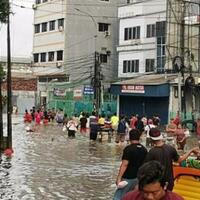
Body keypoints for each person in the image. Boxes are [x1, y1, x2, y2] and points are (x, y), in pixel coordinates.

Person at [113, 129, 147, 200]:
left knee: (118, 197)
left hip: (128, 178)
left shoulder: (128, 149)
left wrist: (119, 178)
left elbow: (125, 164)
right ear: (139, 137)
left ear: (129, 137)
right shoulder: (144, 149)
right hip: (139, 178)